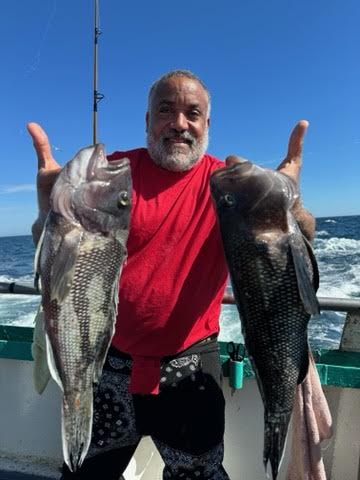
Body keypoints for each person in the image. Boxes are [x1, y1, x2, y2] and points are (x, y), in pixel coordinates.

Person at [28, 70, 315, 480]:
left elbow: (288, 252)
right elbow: (57, 256)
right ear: (147, 121)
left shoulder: (230, 187)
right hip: (109, 363)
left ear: (206, 125)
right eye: (166, 110)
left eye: (192, 113)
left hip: (191, 365)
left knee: (199, 473)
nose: (179, 123)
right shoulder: (109, 179)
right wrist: (48, 213)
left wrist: (291, 208)